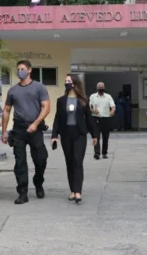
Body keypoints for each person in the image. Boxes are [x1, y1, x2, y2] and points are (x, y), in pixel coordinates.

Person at [2, 60, 51, 205]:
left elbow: (46, 107)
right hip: (19, 129)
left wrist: (36, 124)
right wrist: (4, 131)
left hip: (35, 129)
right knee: (20, 162)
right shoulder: (13, 91)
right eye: (18, 69)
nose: (19, 71)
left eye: (22, 69)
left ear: (29, 70)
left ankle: (38, 182)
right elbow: (6, 110)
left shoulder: (39, 87)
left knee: (41, 159)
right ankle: (22, 193)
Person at [51, 74, 98, 204]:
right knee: (69, 162)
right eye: (65, 81)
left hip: (80, 135)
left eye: (69, 81)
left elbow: (89, 119)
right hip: (66, 134)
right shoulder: (61, 100)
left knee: (78, 161)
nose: (67, 83)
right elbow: (57, 119)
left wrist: (94, 135)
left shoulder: (83, 100)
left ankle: (78, 191)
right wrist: (54, 135)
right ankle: (72, 190)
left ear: (75, 83)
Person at [89, 82, 115, 159]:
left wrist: (112, 111)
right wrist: (93, 111)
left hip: (106, 118)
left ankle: (104, 153)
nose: (101, 88)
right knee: (96, 136)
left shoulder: (108, 96)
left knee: (105, 136)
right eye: (99, 87)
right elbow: (90, 107)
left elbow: (113, 106)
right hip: (96, 118)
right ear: (97, 88)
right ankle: (97, 153)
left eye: (102, 87)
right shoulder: (93, 96)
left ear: (104, 88)